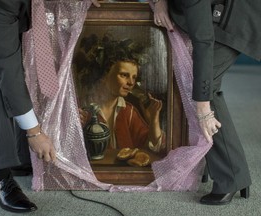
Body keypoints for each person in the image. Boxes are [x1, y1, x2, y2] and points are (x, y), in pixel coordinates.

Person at [151, 0, 261, 205]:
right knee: (200, 86)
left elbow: (203, 40)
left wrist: (203, 110)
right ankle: (228, 171)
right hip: (217, 13)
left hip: (238, 21)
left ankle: (231, 178)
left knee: (203, 89)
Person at [0, 0, 59, 213]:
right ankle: (1, 179)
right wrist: (34, 132)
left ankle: (20, 157)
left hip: (6, 15)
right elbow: (6, 67)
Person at [76, 34, 166, 153]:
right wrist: (74, 126)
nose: (131, 82)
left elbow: (155, 147)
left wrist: (154, 118)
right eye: (124, 75)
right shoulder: (81, 108)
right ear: (104, 75)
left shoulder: (128, 112)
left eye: (134, 77)